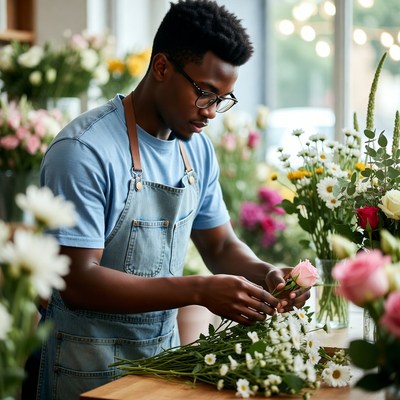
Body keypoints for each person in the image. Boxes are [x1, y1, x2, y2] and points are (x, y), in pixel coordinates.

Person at [36, 1, 310, 399]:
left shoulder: (195, 150)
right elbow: (79, 280)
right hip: (85, 372)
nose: (212, 113)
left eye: (223, 100)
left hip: (160, 369)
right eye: (206, 94)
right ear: (162, 68)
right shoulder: (83, 150)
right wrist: (199, 290)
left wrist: (264, 273)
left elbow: (219, 244)